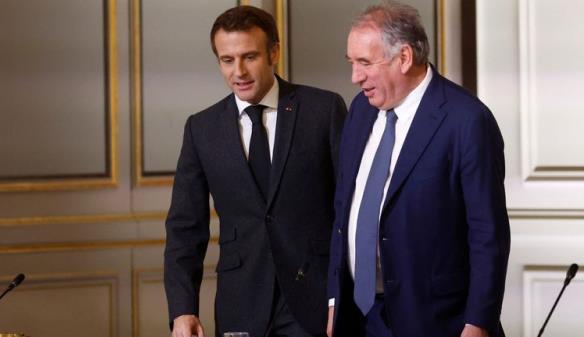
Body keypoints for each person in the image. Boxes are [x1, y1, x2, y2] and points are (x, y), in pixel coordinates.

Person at [326, 2, 510, 337]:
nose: (355, 77)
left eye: (365, 63)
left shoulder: (466, 121)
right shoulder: (360, 111)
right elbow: (343, 210)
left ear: (404, 57)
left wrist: (478, 322)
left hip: (438, 320)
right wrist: (334, 299)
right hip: (359, 316)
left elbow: (488, 234)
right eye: (352, 63)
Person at [164, 5, 347, 337]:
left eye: (249, 57)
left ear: (274, 52)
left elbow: (348, 210)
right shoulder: (202, 129)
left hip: (315, 298)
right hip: (241, 301)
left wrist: (340, 295)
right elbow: (184, 229)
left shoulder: (323, 110)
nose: (239, 72)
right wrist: (183, 309)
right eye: (227, 60)